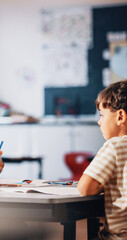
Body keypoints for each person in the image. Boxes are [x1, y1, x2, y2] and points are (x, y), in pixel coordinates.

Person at [77, 80, 127, 239]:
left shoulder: (115, 146)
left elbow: (86, 188)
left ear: (120, 116)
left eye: (102, 115)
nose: (99, 121)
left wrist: (109, 181)